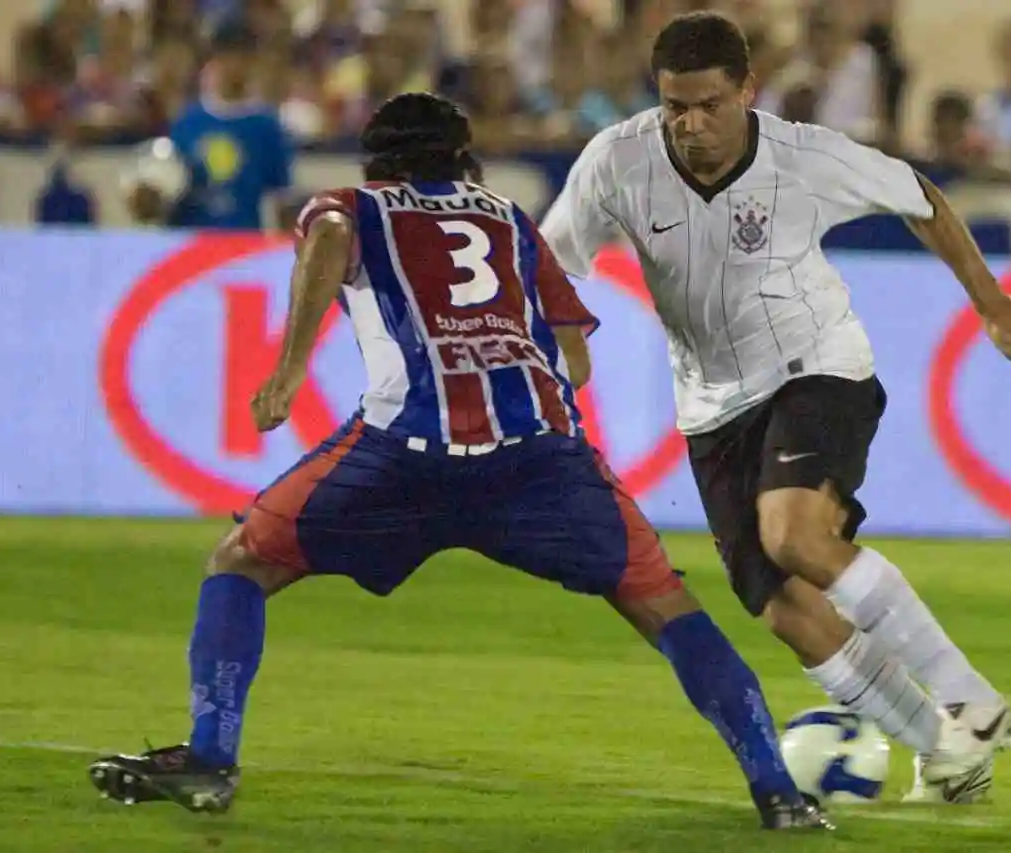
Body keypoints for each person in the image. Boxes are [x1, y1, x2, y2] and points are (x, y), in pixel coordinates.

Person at [86, 92, 831, 833]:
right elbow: (573, 360)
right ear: (463, 157)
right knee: (666, 605)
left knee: (242, 560)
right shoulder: (508, 220)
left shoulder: (352, 205)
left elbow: (330, 235)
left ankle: (212, 758)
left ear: (378, 160)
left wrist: (288, 369)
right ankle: (779, 792)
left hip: (402, 456)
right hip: (538, 461)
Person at [539, 11, 1011, 804]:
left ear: (748, 91)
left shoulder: (803, 157)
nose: (688, 124)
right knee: (787, 610)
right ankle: (946, 756)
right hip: (711, 405)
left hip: (815, 365)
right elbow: (549, 262)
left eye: (708, 104)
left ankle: (971, 702)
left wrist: (991, 299)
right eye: (673, 106)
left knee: (794, 534)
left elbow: (918, 195)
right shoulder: (617, 161)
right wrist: (559, 339)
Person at [126, 18, 294, 229]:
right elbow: (169, 186)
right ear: (214, 59)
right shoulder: (188, 121)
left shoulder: (267, 127)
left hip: (242, 243)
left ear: (254, 62)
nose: (235, 65)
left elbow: (281, 198)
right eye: (228, 55)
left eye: (243, 56)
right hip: (191, 240)